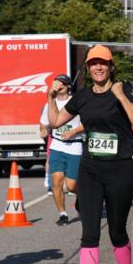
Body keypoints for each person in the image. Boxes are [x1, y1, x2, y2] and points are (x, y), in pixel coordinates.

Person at [46, 45, 133, 264]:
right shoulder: (83, 97)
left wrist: (121, 98)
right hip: (90, 170)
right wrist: (50, 96)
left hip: (120, 170)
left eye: (103, 63)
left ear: (111, 66)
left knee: (116, 231)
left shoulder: (123, 91)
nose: (98, 68)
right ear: (88, 69)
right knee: (89, 233)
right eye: (93, 64)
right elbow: (55, 122)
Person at [39, 74, 84, 224]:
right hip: (57, 145)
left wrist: (73, 131)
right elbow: (44, 123)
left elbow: (87, 123)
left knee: (71, 186)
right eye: (56, 83)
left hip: (75, 145)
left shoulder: (76, 102)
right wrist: (44, 130)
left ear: (68, 86)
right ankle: (62, 214)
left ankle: (82, 195)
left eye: (61, 83)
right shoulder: (49, 103)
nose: (58, 86)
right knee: (56, 180)